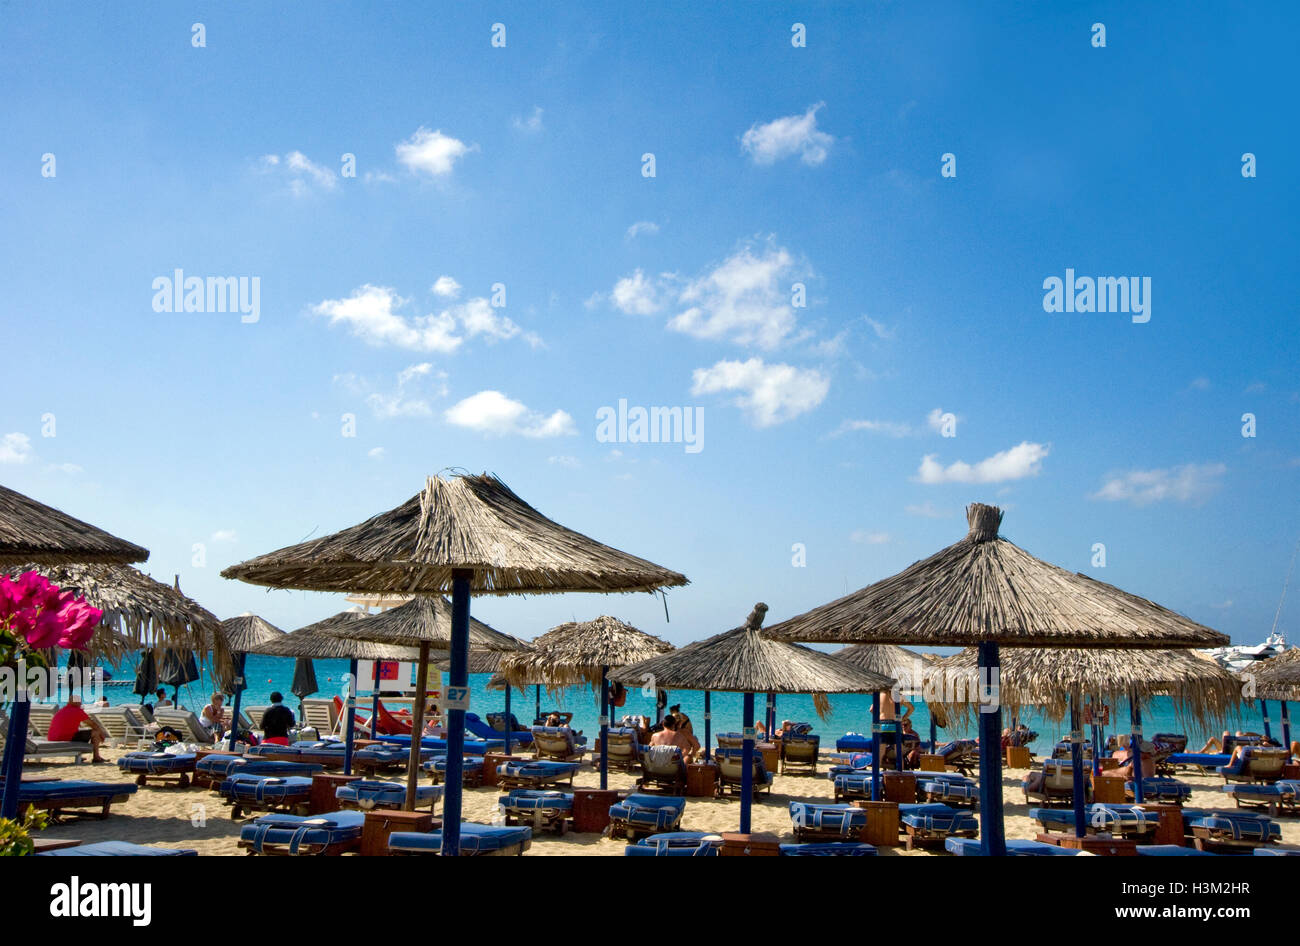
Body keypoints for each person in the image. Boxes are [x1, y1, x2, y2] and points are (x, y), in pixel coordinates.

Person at [48, 695, 108, 763]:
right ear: (78, 703)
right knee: (96, 732)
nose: (81, 704)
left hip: (52, 738)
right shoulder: (77, 711)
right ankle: (96, 757)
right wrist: (102, 734)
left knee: (80, 732)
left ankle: (81, 755)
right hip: (66, 738)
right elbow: (93, 725)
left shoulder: (61, 711)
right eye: (80, 702)